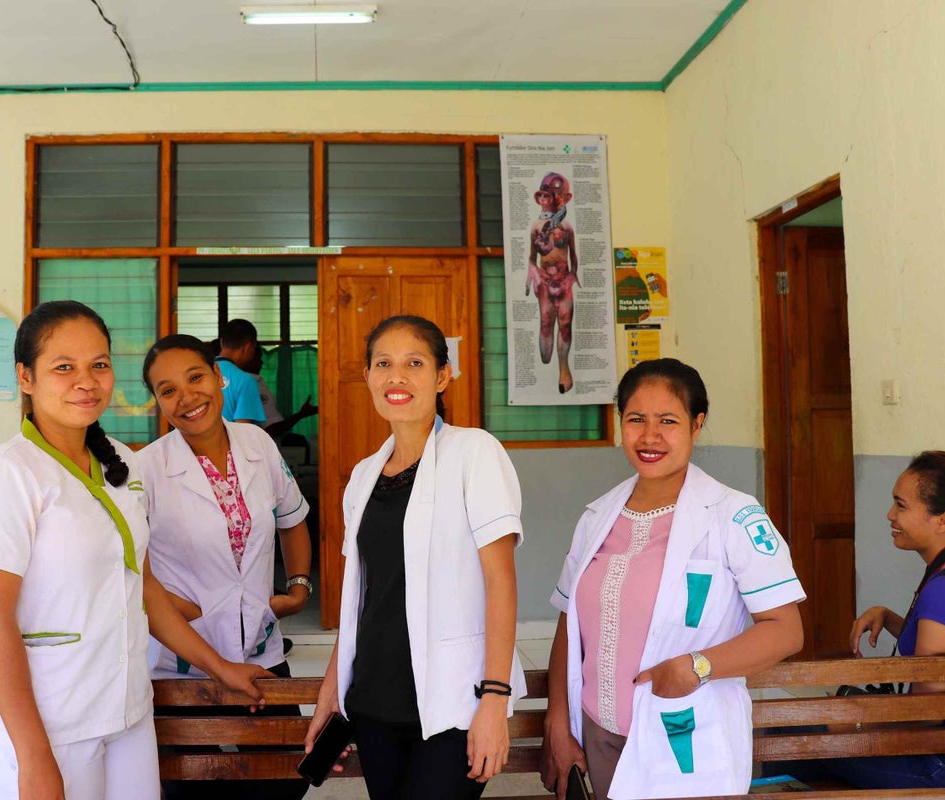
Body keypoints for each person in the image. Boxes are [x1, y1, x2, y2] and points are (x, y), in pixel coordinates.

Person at [0, 300, 268, 800]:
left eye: (98, 365)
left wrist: (221, 668)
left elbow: (143, 589)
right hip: (52, 723)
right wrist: (34, 757)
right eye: (64, 367)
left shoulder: (122, 462)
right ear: (25, 377)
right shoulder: (7, 475)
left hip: (127, 710)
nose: (86, 381)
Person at [541, 357, 805, 800]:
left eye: (668, 420)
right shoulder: (598, 516)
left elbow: (786, 631)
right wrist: (557, 722)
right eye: (636, 419)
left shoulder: (734, 517)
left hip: (687, 738)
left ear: (696, 425)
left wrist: (697, 667)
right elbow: (570, 624)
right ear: (619, 421)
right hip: (600, 736)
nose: (650, 436)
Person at [305, 314, 524, 800]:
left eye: (414, 363)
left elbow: (501, 582)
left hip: (452, 705)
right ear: (367, 376)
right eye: (383, 363)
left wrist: (495, 698)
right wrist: (331, 688)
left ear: (442, 376)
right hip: (374, 703)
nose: (396, 377)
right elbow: (361, 598)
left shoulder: (475, 453)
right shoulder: (363, 476)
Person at [138, 333, 314, 800]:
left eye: (196, 377)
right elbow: (128, 568)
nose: (187, 397)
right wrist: (180, 609)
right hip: (182, 666)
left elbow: (293, 519)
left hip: (260, 650)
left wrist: (298, 589)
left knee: (286, 778)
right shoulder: (145, 470)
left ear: (219, 378)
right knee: (189, 786)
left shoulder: (257, 443)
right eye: (167, 389)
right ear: (158, 402)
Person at [779, 451, 945, 790]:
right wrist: (890, 618)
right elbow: (944, 641)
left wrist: (857, 724)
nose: (890, 515)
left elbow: (928, 714)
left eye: (901, 506)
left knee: (789, 737)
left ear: (944, 520)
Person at [525, 172, 580, 393]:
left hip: (564, 280)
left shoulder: (567, 228)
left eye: (557, 195)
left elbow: (573, 256)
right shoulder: (537, 227)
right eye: (548, 194)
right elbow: (531, 256)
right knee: (547, 320)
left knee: (565, 322)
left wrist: (572, 275)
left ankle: (564, 369)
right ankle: (547, 361)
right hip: (546, 281)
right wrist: (534, 272)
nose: (552, 200)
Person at [216, 319, 266, 424]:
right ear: (249, 348)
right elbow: (243, 431)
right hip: (227, 440)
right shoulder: (246, 381)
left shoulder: (199, 374)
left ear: (221, 342)